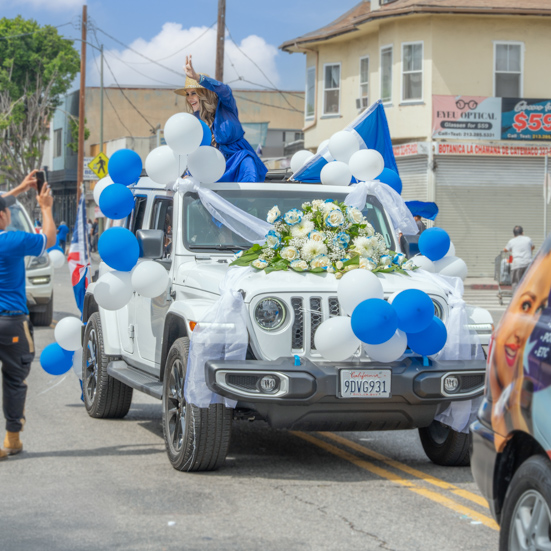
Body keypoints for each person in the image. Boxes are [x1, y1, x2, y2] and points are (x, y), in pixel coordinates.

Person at [0, 171, 56, 460]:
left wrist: (21, 187)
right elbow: (48, 238)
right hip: (11, 321)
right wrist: (45, 207)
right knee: (13, 379)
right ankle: (11, 439)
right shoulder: (11, 241)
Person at [488, 239, 551, 450]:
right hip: (524, 264)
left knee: (516, 282)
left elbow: (505, 250)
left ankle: (518, 291)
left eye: (541, 308)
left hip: (517, 265)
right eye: (525, 305)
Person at [176, 55, 268, 183]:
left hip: (238, 164)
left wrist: (197, 78)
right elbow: (194, 152)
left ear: (205, 94)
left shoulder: (226, 107)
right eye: (187, 94)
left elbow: (224, 90)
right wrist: (188, 174)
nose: (189, 98)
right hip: (213, 171)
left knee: (247, 163)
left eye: (193, 93)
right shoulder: (194, 122)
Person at [504, 225, 534, 290]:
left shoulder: (512, 241)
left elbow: (505, 250)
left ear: (513, 234)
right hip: (528, 264)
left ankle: (516, 297)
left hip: (517, 265)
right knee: (528, 282)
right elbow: (533, 247)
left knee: (515, 283)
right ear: (522, 233)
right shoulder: (528, 239)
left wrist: (510, 249)